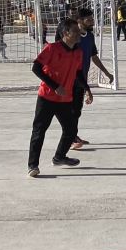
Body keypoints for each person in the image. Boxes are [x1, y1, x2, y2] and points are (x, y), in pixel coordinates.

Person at [27, 18, 86, 178]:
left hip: (65, 99)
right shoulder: (52, 48)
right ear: (65, 33)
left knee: (71, 130)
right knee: (39, 131)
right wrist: (55, 86)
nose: (79, 33)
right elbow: (36, 67)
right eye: (75, 31)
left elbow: (78, 73)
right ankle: (33, 165)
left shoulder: (78, 52)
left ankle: (59, 157)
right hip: (46, 97)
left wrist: (87, 89)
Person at [67, 9, 113, 150]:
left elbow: (93, 56)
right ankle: (70, 138)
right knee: (70, 111)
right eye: (89, 19)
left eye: (92, 19)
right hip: (70, 79)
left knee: (77, 110)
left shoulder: (90, 36)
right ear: (79, 21)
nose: (92, 22)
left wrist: (106, 73)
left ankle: (73, 135)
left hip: (82, 79)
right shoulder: (72, 38)